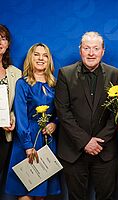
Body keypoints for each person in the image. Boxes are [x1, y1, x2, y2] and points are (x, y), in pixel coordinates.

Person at [55, 31, 118, 200]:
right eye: (87, 48)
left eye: (96, 48)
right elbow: (63, 112)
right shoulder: (65, 74)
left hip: (104, 150)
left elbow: (117, 112)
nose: (91, 53)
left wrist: (98, 142)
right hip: (73, 150)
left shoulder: (115, 74)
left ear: (103, 51)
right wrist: (85, 141)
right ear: (80, 50)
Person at [6, 43, 61, 200]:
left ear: (49, 59)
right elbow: (21, 116)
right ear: (30, 58)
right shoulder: (23, 84)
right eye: (36, 54)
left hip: (47, 141)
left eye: (44, 55)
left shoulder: (55, 85)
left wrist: (54, 124)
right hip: (26, 141)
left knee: (41, 195)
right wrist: (28, 145)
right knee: (25, 193)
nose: (41, 58)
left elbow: (60, 112)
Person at [0, 24, 21, 198]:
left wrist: (12, 118)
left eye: (3, 38)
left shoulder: (15, 73)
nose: (0, 41)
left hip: (4, 135)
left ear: (8, 44)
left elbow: (16, 106)